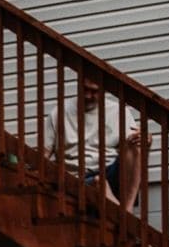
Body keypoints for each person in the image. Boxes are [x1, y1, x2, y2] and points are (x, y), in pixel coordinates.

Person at [43, 72, 142, 210]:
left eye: (94, 91)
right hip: (76, 179)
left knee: (134, 145)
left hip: (110, 172)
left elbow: (135, 149)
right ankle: (125, 219)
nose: (88, 95)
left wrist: (145, 141)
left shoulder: (118, 111)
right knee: (98, 183)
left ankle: (127, 210)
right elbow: (44, 153)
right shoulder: (59, 111)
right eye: (85, 89)